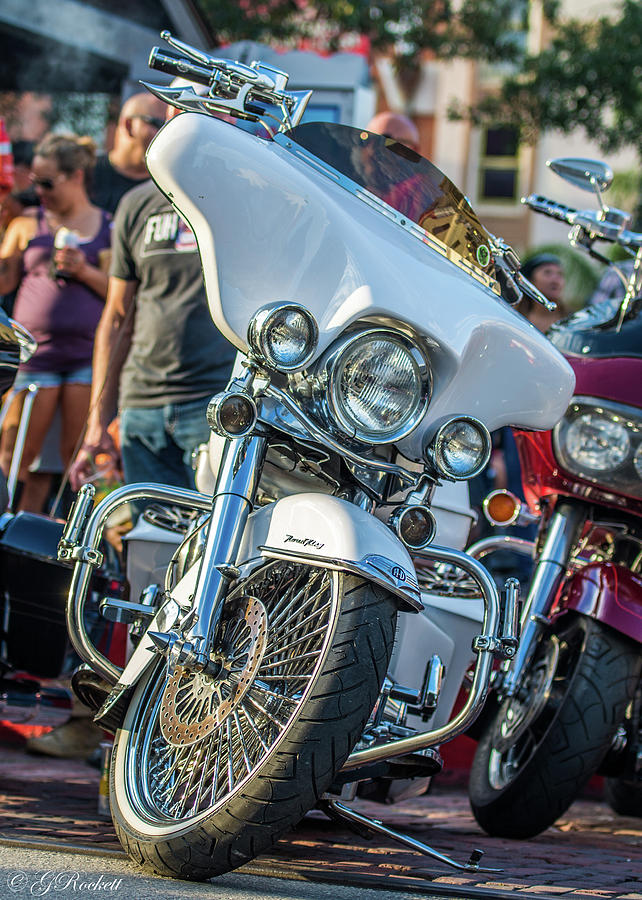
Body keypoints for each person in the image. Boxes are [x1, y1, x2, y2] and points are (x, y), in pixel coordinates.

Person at [0, 133, 111, 512]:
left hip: (82, 358)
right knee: (17, 454)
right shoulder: (27, 224)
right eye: (35, 183)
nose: (40, 191)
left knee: (73, 456)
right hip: (35, 358)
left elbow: (118, 292)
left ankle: (75, 535)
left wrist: (82, 271)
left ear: (76, 176)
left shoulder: (105, 225)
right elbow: (4, 281)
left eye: (47, 183)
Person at [90, 92, 167, 215]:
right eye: (160, 124)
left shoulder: (170, 185)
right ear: (129, 125)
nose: (168, 132)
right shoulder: (84, 174)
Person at [519, 253, 567, 331]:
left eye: (560, 274)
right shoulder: (517, 319)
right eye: (547, 273)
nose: (555, 280)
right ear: (530, 281)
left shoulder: (572, 321)